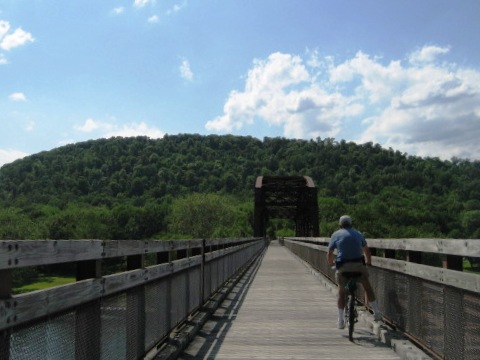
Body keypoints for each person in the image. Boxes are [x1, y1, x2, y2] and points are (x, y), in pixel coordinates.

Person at [327, 215, 382, 329]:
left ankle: (341, 320)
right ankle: (376, 312)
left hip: (343, 267)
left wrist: (331, 263)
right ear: (351, 224)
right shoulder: (358, 234)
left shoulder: (336, 234)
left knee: (341, 291)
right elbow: (367, 250)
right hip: (358, 266)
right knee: (367, 286)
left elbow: (330, 253)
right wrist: (369, 262)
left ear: (340, 225)